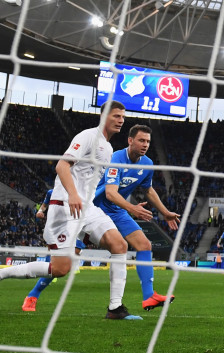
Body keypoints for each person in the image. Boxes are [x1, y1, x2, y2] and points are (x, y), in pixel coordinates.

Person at [0, 101, 141, 320]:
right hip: (66, 207)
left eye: (123, 116)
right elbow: (62, 166)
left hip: (87, 208)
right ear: (104, 117)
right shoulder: (87, 137)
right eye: (116, 116)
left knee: (119, 244)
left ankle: (115, 308)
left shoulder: (108, 147)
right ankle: (3, 273)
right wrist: (74, 194)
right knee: (59, 269)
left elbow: (92, 182)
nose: (121, 120)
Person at [92, 124, 180, 311]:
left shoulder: (147, 164)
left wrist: (164, 212)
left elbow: (148, 190)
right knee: (64, 262)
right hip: (94, 209)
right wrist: (133, 209)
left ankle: (149, 297)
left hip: (116, 210)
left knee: (144, 245)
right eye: (141, 140)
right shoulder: (116, 158)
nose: (145, 144)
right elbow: (110, 193)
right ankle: (33, 294)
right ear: (130, 140)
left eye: (148, 141)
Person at [21, 188, 86, 312]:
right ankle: (33, 295)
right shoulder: (53, 192)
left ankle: (48, 274)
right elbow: (44, 205)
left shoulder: (86, 189)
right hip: (59, 228)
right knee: (55, 265)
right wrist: (40, 211)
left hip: (80, 227)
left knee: (70, 257)